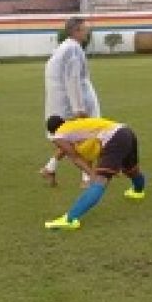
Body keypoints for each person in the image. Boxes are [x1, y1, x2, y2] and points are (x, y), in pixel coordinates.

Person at [43, 115, 146, 231]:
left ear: (52, 132)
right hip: (126, 132)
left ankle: (70, 219)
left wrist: (92, 174)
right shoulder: (74, 125)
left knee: (100, 181)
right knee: (131, 169)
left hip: (114, 138)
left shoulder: (58, 136)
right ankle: (138, 191)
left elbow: (75, 157)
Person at [42, 16, 100, 185]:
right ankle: (86, 177)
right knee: (87, 137)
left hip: (65, 101)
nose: (87, 32)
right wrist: (78, 108)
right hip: (73, 102)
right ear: (76, 31)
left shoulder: (65, 47)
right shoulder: (72, 50)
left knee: (70, 138)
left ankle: (50, 168)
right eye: (85, 29)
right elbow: (72, 79)